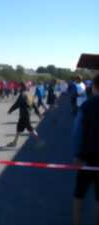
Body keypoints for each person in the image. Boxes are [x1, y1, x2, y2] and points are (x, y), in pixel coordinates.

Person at [72, 74, 99, 225]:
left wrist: (77, 154)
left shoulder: (87, 105)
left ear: (94, 87)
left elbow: (77, 132)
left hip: (87, 156)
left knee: (79, 194)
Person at [7, 82, 41, 147]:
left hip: (24, 114)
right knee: (19, 128)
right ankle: (14, 142)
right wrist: (38, 113)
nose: (19, 88)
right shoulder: (30, 94)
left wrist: (10, 110)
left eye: (20, 87)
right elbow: (34, 105)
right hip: (26, 114)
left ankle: (39, 141)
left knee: (30, 129)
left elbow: (17, 104)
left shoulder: (22, 94)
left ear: (22, 88)